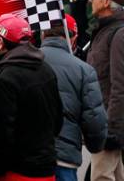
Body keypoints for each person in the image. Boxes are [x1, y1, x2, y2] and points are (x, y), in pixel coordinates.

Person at [0, 13, 63, 181]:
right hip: (46, 167)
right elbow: (58, 121)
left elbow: (2, 133)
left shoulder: (5, 78)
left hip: (17, 171)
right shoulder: (46, 69)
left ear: (1, 42)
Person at [41, 14, 107, 181]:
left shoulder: (24, 61)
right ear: (74, 37)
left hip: (28, 158)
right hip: (64, 157)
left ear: (43, 34)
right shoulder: (83, 70)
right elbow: (94, 119)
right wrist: (95, 145)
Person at [85, 0, 124, 181]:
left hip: (108, 123)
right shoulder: (106, 30)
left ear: (106, 1)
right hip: (104, 120)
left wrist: (111, 128)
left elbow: (120, 86)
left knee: (102, 177)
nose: (90, 0)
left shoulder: (118, 33)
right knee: (115, 175)